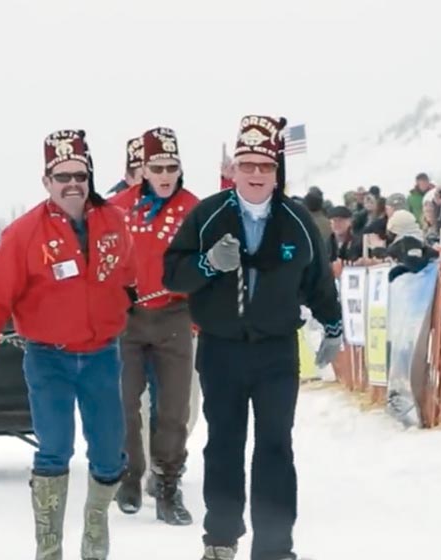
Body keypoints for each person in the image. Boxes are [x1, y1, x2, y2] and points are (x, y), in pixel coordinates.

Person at [163, 115, 343, 560]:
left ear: (277, 172)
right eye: (247, 165)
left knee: (276, 446)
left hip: (277, 351)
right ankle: (221, 541)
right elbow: (172, 274)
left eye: (264, 166)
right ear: (234, 170)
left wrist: (333, 325)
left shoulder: (297, 221)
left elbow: (319, 281)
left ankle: (275, 547)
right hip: (221, 349)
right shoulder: (207, 215)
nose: (256, 175)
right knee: (223, 444)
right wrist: (207, 264)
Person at [0, 130, 137, 560]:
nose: (72, 184)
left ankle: (96, 524)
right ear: (46, 181)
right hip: (48, 359)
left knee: (110, 452)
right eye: (62, 176)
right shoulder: (24, 234)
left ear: (90, 176)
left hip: (101, 356)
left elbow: (129, 277)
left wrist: (132, 303)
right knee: (55, 447)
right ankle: (49, 547)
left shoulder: (114, 222)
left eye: (80, 174)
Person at [108, 127, 200, 524]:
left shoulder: (195, 209)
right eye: (156, 167)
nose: (165, 175)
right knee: (125, 402)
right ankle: (130, 472)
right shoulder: (115, 208)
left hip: (174, 315)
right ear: (142, 169)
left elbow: (208, 263)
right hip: (127, 319)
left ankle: (167, 484)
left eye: (171, 167)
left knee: (174, 406)